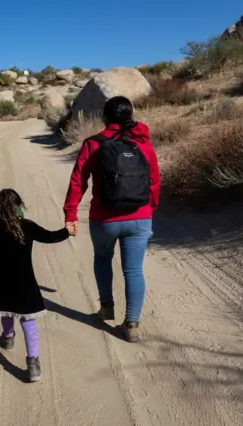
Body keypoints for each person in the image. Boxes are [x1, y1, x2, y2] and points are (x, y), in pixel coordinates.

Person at [63, 96, 160, 343]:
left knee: (102, 259)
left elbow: (78, 181)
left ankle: (106, 307)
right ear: (130, 116)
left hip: (104, 219)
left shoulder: (93, 144)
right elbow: (154, 181)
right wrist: (151, 208)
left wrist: (70, 214)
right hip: (140, 217)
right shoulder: (144, 144)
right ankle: (132, 324)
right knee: (134, 270)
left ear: (105, 117)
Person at [0, 188, 70, 382]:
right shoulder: (28, 225)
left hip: (5, 281)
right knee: (28, 321)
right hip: (26, 282)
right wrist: (68, 231)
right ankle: (33, 363)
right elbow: (50, 237)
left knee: (7, 311)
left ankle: (8, 338)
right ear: (20, 206)